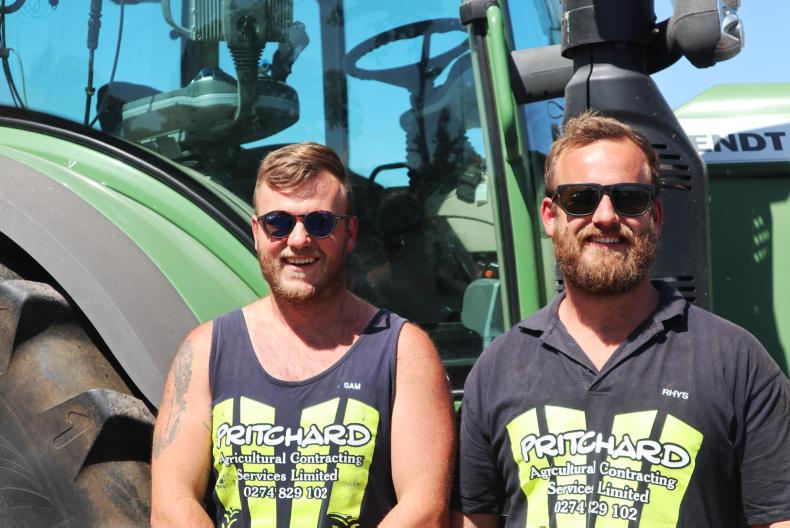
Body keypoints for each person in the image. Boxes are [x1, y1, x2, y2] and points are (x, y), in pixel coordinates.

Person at [451, 112, 790, 528]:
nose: (606, 216)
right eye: (580, 198)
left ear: (656, 215)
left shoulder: (735, 361)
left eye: (629, 198)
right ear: (550, 216)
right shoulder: (497, 368)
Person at [151, 142, 455, 527]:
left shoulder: (404, 352)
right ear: (257, 232)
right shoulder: (205, 350)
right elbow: (171, 504)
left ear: (350, 233)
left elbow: (425, 511)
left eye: (320, 222)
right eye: (278, 222)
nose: (298, 240)